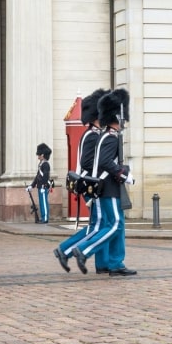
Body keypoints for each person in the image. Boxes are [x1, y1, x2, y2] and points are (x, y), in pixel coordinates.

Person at [72, 89, 136, 277]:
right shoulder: (109, 137)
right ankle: (84, 250)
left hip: (109, 187)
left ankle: (116, 262)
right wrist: (123, 174)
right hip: (108, 188)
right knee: (115, 225)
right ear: (117, 116)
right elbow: (105, 162)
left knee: (117, 225)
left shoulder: (108, 135)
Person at [54, 89, 107, 273]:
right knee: (100, 227)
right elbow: (87, 163)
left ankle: (70, 251)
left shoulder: (92, 133)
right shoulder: (93, 135)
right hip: (91, 186)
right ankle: (66, 250)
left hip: (90, 186)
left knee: (98, 226)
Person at [27, 143, 52, 224]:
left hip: (43, 186)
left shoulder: (45, 164)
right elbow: (37, 176)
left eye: (39, 154)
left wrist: (44, 185)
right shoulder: (41, 164)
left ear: (42, 155)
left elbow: (45, 176)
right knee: (41, 202)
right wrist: (32, 185)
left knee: (44, 202)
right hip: (40, 186)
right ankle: (43, 217)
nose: (38, 156)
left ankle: (45, 218)